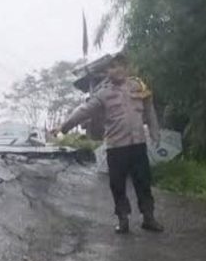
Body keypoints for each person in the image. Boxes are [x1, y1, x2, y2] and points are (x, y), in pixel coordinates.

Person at [51, 53, 164, 234]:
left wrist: (154, 132)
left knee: (143, 182)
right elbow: (83, 112)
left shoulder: (139, 86)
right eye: (112, 67)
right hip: (116, 147)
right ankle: (123, 219)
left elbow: (149, 111)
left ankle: (149, 218)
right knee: (117, 185)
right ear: (106, 72)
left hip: (138, 144)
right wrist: (63, 128)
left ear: (127, 68)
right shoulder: (103, 94)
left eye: (120, 66)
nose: (117, 70)